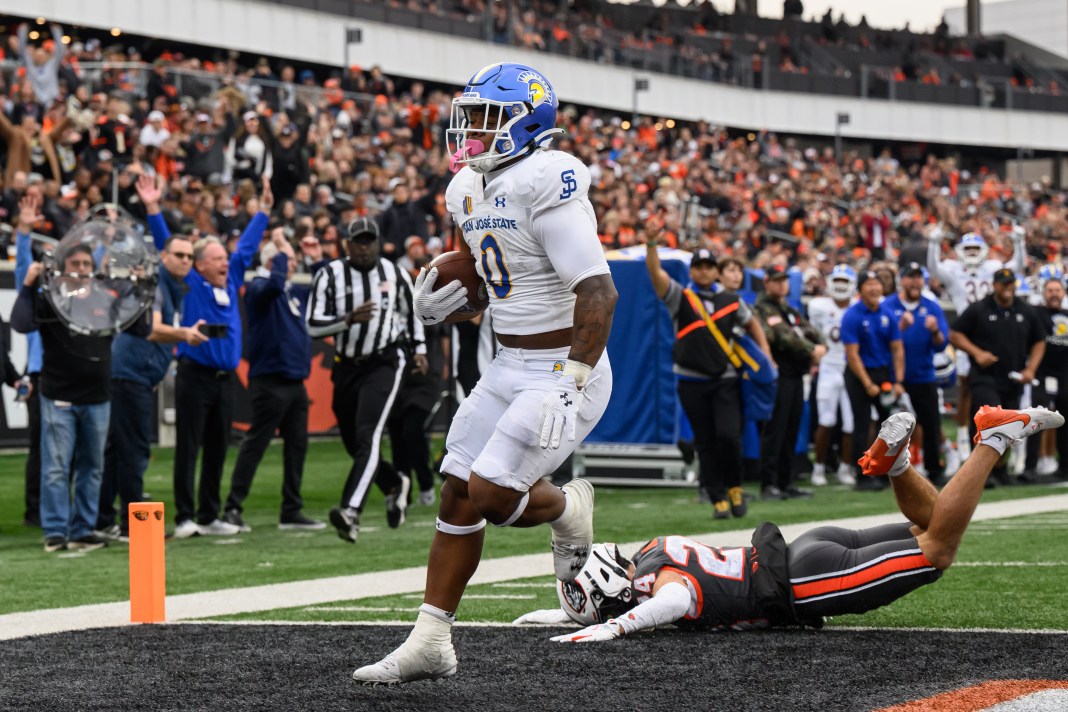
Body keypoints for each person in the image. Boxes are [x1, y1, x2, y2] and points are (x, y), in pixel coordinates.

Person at [352, 62, 617, 686]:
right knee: (455, 491)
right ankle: (431, 639)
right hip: (508, 361)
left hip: (563, 365)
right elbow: (488, 276)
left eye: (484, 116)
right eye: (468, 114)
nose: (468, 128)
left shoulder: (549, 177)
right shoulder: (465, 187)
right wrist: (448, 299)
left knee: (493, 494)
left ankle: (568, 510)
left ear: (528, 121)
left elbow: (599, 293)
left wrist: (573, 376)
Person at [538, 406, 1064, 641]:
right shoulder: (651, 551)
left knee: (938, 550)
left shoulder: (662, 587)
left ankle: (996, 437)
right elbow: (645, 591)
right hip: (804, 549)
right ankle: (896, 465)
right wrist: (562, 615)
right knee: (926, 523)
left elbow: (671, 601)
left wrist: (611, 628)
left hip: (804, 582)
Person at [144, 175, 271, 538]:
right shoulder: (191, 282)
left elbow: (245, 248)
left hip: (223, 379)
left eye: (224, 258)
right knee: (189, 447)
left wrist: (263, 211)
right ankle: (185, 516)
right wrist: (153, 209)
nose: (224, 263)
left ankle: (209, 513)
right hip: (194, 374)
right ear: (198, 264)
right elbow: (164, 246)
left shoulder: (230, 279)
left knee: (217, 448)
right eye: (216, 259)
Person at [12, 232, 151, 553]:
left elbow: (141, 328)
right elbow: (20, 322)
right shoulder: (51, 298)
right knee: (57, 467)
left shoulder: (104, 297)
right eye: (75, 263)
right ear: (60, 267)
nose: (81, 268)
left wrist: (141, 288)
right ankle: (56, 531)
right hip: (58, 395)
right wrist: (30, 284)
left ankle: (82, 529)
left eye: (86, 263)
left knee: (93, 466)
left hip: (98, 395)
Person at [306, 217, 425, 541]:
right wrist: (347, 320)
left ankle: (350, 512)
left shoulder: (395, 273)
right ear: (346, 244)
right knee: (351, 440)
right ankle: (393, 482)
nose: (363, 247)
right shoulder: (329, 275)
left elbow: (413, 309)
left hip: (385, 360)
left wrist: (419, 348)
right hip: (346, 365)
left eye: (369, 241)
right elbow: (313, 326)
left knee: (367, 435)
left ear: (377, 242)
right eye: (357, 241)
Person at [96, 202, 208, 541]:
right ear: (164, 256)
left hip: (135, 374)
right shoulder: (157, 285)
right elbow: (154, 329)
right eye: (180, 255)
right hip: (130, 374)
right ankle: (130, 524)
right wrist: (185, 334)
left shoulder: (173, 287)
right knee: (134, 449)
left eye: (190, 257)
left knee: (118, 449)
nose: (186, 261)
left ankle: (104, 519)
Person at [645, 237, 771, 518]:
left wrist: (765, 355)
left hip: (725, 379)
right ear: (691, 272)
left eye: (708, 266)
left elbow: (752, 324)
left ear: (716, 271)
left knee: (729, 437)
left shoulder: (730, 300)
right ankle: (717, 498)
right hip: (691, 381)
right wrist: (652, 244)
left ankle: (735, 486)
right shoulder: (682, 297)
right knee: (705, 441)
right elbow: (656, 275)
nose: (703, 271)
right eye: (698, 266)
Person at [221, 231, 324, 532]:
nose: (292, 264)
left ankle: (291, 509)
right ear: (271, 261)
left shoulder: (292, 292)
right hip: (270, 379)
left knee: (297, 447)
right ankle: (233, 506)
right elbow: (273, 284)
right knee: (256, 443)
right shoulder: (258, 287)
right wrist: (280, 249)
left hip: (295, 380)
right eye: (287, 260)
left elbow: (322, 288)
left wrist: (315, 258)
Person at [928, 226, 1026, 459]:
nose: (972, 252)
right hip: (967, 331)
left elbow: (1016, 268)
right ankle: (963, 435)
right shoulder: (953, 270)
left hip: (990, 331)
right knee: (965, 387)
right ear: (961, 250)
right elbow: (934, 268)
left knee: (992, 388)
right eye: (968, 248)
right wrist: (933, 244)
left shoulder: (992, 268)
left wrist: (1020, 244)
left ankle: (999, 436)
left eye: (975, 248)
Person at [950, 268, 1047, 485]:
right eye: (1003, 284)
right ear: (994, 285)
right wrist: (977, 353)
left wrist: (1031, 369)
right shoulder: (979, 309)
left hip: (1013, 379)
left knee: (1011, 427)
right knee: (993, 421)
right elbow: (955, 334)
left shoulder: (1026, 310)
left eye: (1011, 283)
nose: (1008, 288)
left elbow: (1039, 340)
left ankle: (1000, 468)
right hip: (985, 376)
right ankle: (984, 471)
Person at [754, 265, 825, 500]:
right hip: (778, 375)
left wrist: (819, 346)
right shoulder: (762, 309)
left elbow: (811, 330)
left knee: (791, 429)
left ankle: (786, 481)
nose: (781, 284)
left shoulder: (790, 310)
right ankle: (769, 483)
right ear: (766, 282)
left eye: (784, 280)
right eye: (776, 280)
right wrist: (812, 350)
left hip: (796, 374)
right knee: (776, 430)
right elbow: (784, 338)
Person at [883, 262, 951, 486]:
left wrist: (935, 331)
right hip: (894, 377)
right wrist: (899, 328)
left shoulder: (931, 307)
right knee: (889, 426)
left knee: (931, 424)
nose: (914, 282)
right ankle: (882, 468)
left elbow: (942, 345)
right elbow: (880, 342)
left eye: (918, 277)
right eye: (910, 277)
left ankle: (934, 468)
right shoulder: (888, 306)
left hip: (923, 375)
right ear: (901, 280)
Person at [840, 269, 904, 491]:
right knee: (861, 423)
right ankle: (862, 475)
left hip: (882, 372)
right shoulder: (852, 316)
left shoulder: (887, 314)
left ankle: (883, 471)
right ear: (860, 290)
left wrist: (898, 381)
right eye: (869, 284)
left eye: (877, 283)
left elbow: (897, 348)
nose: (875, 287)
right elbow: (852, 354)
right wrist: (867, 383)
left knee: (888, 426)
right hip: (859, 374)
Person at [806, 264, 857, 487]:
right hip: (828, 367)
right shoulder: (818, 306)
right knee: (826, 421)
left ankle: (845, 467)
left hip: (850, 369)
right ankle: (818, 467)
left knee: (850, 424)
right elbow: (811, 333)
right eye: (837, 282)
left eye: (845, 282)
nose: (840, 287)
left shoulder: (857, 306)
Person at [14, 195, 45, 527]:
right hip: (39, 376)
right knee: (39, 448)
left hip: (68, 377)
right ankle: (34, 511)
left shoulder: (70, 296)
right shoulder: (34, 298)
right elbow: (23, 268)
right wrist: (24, 230)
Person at [1029, 272, 1068, 480]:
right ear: (1043, 293)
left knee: (1065, 422)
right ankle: (1030, 466)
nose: (1054, 294)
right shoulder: (1035, 313)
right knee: (1037, 419)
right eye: (1050, 290)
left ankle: (1064, 466)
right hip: (1041, 374)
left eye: (1058, 290)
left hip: (1065, 375)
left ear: (1064, 293)